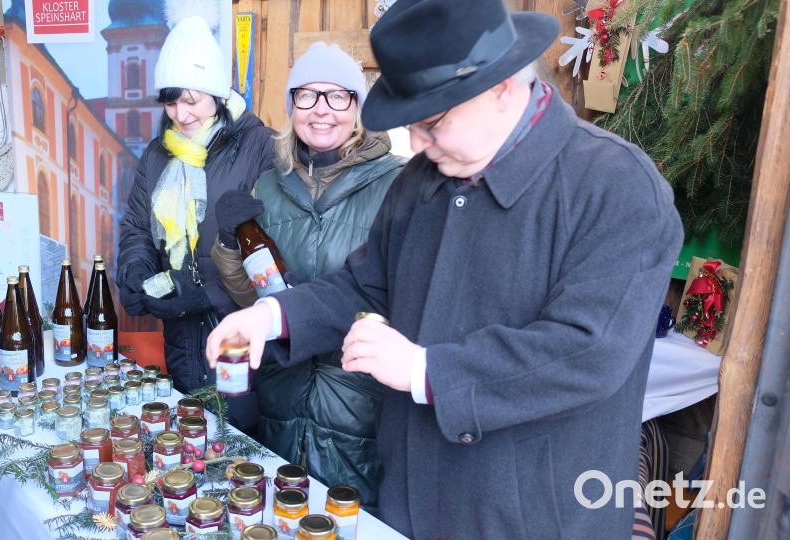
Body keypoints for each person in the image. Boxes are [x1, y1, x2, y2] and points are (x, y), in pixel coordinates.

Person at [205, 1, 684, 538]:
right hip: (410, 499)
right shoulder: (421, 181)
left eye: (433, 122)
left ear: (502, 87)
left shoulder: (615, 187)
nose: (418, 143)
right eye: (412, 124)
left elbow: (587, 351)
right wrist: (271, 317)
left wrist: (426, 371)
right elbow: (366, 284)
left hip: (535, 514)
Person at [209, 42, 406, 508]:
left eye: (338, 96)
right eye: (307, 95)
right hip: (282, 400)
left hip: (361, 413)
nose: (321, 111)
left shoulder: (398, 184)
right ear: (291, 104)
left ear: (357, 106)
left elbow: (405, 296)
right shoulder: (269, 185)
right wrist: (229, 245)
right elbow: (249, 301)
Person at [116, 14, 275, 429]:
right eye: (171, 102)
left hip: (237, 330)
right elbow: (136, 225)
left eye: (192, 100)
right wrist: (136, 271)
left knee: (240, 442)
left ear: (218, 93)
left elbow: (274, 242)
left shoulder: (258, 146)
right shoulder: (157, 154)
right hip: (180, 334)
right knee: (190, 441)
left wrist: (213, 296)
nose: (181, 114)